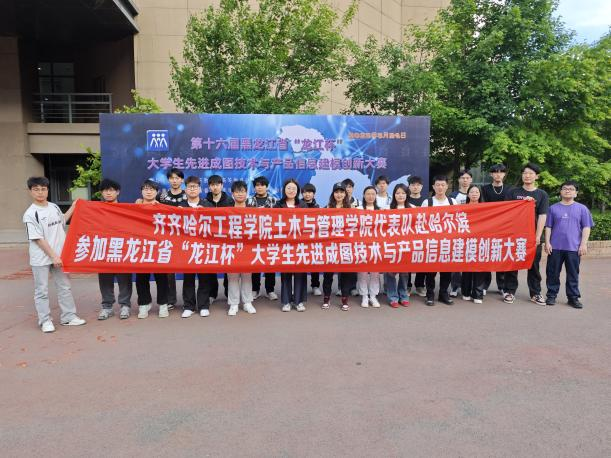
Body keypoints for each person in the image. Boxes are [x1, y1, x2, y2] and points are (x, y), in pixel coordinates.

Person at [23, 176, 86, 333]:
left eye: (43, 189)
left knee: (65, 286)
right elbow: (38, 239)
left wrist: (73, 207)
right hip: (41, 258)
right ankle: (45, 321)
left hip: (59, 256)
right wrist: (53, 256)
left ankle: (68, 317)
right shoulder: (30, 214)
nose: (40, 192)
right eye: (36, 189)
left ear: (47, 190)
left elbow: (62, 221)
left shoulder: (54, 207)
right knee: (41, 290)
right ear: (30, 191)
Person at [503, 163, 549, 305]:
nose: (527, 176)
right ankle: (509, 291)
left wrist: (537, 236)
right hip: (514, 235)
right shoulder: (513, 192)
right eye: (524, 173)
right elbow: (506, 212)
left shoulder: (541, 194)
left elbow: (542, 216)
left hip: (532, 237)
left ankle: (535, 293)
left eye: (530, 173)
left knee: (534, 265)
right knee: (512, 263)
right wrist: (522, 204)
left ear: (537, 176)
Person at [544, 181, 593, 309]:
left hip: (574, 248)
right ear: (560, 192)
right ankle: (551, 295)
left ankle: (573, 298)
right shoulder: (553, 208)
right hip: (555, 247)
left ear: (576, 193)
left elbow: (586, 227)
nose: (567, 191)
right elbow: (548, 227)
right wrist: (547, 242)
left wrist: (583, 244)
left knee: (573, 274)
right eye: (565, 188)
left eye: (571, 189)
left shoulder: (582, 209)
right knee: (552, 273)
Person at [97, 178, 133, 320]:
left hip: (122, 249)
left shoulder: (126, 210)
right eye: (105, 190)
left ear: (117, 192)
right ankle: (107, 307)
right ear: (101, 193)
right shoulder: (96, 210)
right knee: (105, 279)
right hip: (103, 249)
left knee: (124, 279)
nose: (108, 193)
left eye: (111, 190)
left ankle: (125, 305)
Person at [179, 176, 215, 318]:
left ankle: (203, 305)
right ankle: (188, 306)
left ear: (200, 189)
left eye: (195, 187)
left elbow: (215, 225)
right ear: (185, 189)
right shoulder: (180, 206)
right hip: (186, 247)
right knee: (188, 278)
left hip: (203, 247)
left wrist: (206, 213)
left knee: (204, 278)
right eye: (190, 187)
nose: (192, 189)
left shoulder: (208, 205)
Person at [135, 180, 170, 318]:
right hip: (141, 247)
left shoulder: (163, 208)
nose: (148, 191)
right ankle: (144, 304)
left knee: (162, 278)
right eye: (146, 189)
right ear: (141, 191)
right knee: (141, 278)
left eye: (151, 189)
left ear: (157, 192)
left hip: (159, 247)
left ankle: (163, 304)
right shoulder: (134, 207)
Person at [421, 175, 457, 306]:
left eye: (443, 185)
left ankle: (443, 293)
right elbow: (422, 222)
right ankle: (430, 294)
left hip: (448, 242)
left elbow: (457, 221)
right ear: (433, 187)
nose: (440, 187)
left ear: (447, 186)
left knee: (446, 271)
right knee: (430, 271)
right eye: (438, 185)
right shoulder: (427, 202)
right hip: (432, 242)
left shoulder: (453, 202)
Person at [275, 179, 307, 312]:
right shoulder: (278, 205)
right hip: (284, 245)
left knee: (300, 274)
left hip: (300, 244)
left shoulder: (303, 205)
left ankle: (299, 301)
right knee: (286, 274)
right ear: (284, 190)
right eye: (288, 188)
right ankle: (286, 301)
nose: (291, 190)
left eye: (294, 188)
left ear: (297, 190)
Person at [481, 164, 513, 296]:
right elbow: (483, 207)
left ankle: (502, 286)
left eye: (501, 172)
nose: (498, 174)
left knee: (501, 255)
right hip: (488, 227)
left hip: (505, 227)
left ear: (504, 174)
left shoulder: (510, 189)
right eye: (495, 172)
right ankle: (484, 285)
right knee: (487, 255)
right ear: (491, 174)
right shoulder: (484, 189)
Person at [226, 180, 256, 316]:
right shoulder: (226, 211)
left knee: (247, 276)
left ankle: (247, 302)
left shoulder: (252, 210)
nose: (240, 194)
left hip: (248, 248)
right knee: (232, 277)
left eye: (242, 191)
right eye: (237, 192)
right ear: (232, 194)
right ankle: (233, 304)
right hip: (231, 247)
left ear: (246, 193)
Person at [322, 182, 353, 310]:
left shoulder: (351, 208)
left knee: (345, 274)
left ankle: (345, 299)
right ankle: (326, 298)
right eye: (336, 192)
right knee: (328, 274)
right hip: (330, 246)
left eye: (341, 192)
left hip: (346, 246)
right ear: (333, 193)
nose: (339, 194)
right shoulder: (327, 208)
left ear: (345, 194)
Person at [247, 176, 278, 301]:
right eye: (257, 185)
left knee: (270, 264)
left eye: (262, 185)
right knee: (255, 263)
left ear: (267, 186)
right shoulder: (249, 201)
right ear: (254, 187)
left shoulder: (274, 201)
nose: (260, 187)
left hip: (270, 237)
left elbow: (279, 218)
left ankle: (270, 290)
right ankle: (255, 289)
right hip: (254, 238)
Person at [159, 168, 186, 310]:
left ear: (182, 180)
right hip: (167, 237)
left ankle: (189, 300)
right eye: (172, 178)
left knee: (189, 268)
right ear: (168, 180)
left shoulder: (188, 195)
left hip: (185, 237)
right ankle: (170, 299)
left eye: (177, 178)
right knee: (168, 270)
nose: (174, 181)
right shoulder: (162, 196)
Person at [205, 174, 233, 302]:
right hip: (210, 239)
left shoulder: (230, 201)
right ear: (209, 187)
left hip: (227, 238)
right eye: (212, 185)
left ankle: (228, 293)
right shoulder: (204, 202)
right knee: (211, 267)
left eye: (217, 184)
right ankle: (212, 293)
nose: (215, 187)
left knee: (228, 266)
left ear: (222, 185)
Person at [384, 184, 411, 308]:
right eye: (398, 193)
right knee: (390, 272)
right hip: (391, 244)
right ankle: (392, 297)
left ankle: (403, 295)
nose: (400, 195)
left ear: (407, 195)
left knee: (404, 272)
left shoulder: (413, 208)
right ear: (394, 195)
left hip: (407, 244)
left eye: (403, 193)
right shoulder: (387, 208)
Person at [447, 169, 472, 296]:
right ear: (459, 180)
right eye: (463, 178)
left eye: (467, 178)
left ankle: (468, 287)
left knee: (471, 259)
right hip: (458, 232)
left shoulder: (476, 193)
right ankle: (455, 286)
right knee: (456, 261)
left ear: (471, 180)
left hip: (474, 231)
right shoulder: (453, 196)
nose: (465, 180)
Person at [460, 185, 486, 304]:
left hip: (481, 241)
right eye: (472, 192)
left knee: (479, 268)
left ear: (480, 194)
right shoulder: (462, 208)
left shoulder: (487, 208)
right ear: (468, 194)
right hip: (466, 241)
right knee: (466, 268)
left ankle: (478, 294)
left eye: (477, 192)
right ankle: (465, 292)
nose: (474, 194)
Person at [357, 186, 381, 308]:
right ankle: (364, 296)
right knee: (362, 272)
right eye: (368, 194)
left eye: (373, 194)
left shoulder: (380, 210)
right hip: (362, 244)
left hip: (376, 245)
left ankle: (373, 295)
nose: (370, 196)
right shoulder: (358, 209)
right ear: (364, 195)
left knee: (375, 272)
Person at [301, 183, 322, 296]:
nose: (307, 194)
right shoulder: (298, 205)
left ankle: (315, 285)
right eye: (305, 192)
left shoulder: (317, 207)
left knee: (315, 263)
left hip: (314, 239)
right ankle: (301, 286)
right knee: (301, 263)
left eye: (309, 192)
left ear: (313, 194)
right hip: (300, 239)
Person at [407, 176, 426, 296]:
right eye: (413, 185)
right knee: (408, 260)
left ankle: (419, 285)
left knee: (421, 260)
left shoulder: (427, 201)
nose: (415, 187)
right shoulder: (405, 200)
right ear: (409, 186)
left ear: (421, 187)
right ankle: (407, 285)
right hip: (408, 235)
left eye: (418, 185)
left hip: (422, 235)